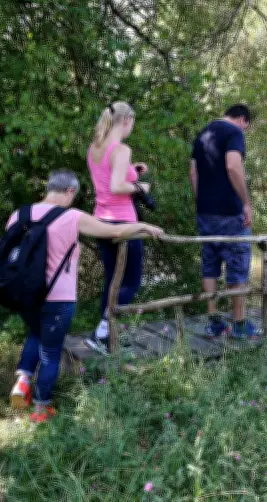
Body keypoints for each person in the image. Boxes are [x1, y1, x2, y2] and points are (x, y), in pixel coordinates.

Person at [8, 169, 162, 423]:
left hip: (23, 293)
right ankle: (40, 408)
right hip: (58, 297)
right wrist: (144, 225)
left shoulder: (19, 214)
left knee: (35, 333)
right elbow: (114, 232)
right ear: (70, 191)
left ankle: (23, 380)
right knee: (52, 351)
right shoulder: (71, 217)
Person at [84, 101, 152, 355]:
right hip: (124, 222)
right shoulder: (121, 149)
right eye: (132, 124)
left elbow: (107, 176)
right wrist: (140, 187)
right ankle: (102, 333)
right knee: (131, 282)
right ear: (126, 120)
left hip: (102, 220)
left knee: (113, 281)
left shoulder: (95, 149)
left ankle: (106, 334)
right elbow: (115, 186)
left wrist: (133, 171)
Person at [190, 104, 260, 340]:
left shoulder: (203, 134)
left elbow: (193, 173)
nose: (245, 131)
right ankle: (239, 325)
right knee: (237, 263)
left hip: (205, 211)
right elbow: (233, 166)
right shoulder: (234, 133)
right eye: (246, 127)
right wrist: (246, 202)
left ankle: (214, 322)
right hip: (231, 213)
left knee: (210, 263)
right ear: (242, 120)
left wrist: (201, 203)